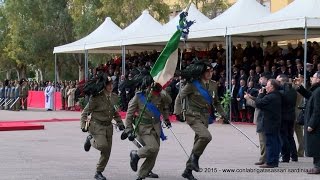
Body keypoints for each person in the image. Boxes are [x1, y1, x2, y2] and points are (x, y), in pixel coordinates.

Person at [178, 61, 227, 180]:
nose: (211, 73)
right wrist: (178, 112)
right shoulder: (192, 84)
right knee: (206, 137)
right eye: (208, 71)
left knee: (198, 143)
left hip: (205, 117)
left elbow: (216, 102)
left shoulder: (213, 84)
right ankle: (195, 159)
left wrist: (224, 114)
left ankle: (188, 171)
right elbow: (180, 97)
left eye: (211, 71)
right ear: (202, 72)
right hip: (193, 116)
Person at [123, 71, 172, 180]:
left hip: (156, 127)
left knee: (154, 152)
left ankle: (142, 174)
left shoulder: (161, 95)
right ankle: (135, 154)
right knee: (153, 147)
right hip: (144, 128)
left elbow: (167, 103)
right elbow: (129, 114)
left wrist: (167, 119)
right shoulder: (140, 96)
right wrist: (129, 129)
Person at [80, 74, 125, 180]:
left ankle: (98, 172)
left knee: (107, 152)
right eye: (108, 85)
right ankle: (90, 139)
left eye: (111, 84)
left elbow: (115, 112)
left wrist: (120, 123)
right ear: (104, 86)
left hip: (108, 127)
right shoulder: (96, 98)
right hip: (97, 126)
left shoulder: (114, 97)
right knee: (102, 146)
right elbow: (85, 113)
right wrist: (83, 126)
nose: (111, 86)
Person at [294, 71, 320, 174]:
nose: (311, 79)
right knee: (315, 145)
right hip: (315, 123)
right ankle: (316, 166)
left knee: (316, 145)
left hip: (316, 124)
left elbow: (318, 110)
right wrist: (300, 87)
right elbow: (310, 96)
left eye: (313, 77)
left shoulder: (318, 91)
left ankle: (317, 167)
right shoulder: (316, 90)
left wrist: (311, 124)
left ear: (318, 79)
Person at [255, 79, 282, 168]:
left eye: (267, 85)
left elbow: (259, 103)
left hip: (270, 122)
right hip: (276, 121)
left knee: (270, 142)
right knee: (276, 142)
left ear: (272, 87)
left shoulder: (270, 96)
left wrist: (260, 94)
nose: (266, 87)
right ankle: (275, 161)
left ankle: (270, 162)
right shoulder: (278, 95)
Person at [276, 74, 298, 163]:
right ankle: (294, 155)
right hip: (291, 116)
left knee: (283, 136)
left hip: (284, 116)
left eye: (278, 81)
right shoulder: (293, 90)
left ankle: (286, 156)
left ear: (282, 81)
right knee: (290, 136)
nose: (276, 83)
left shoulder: (282, 91)